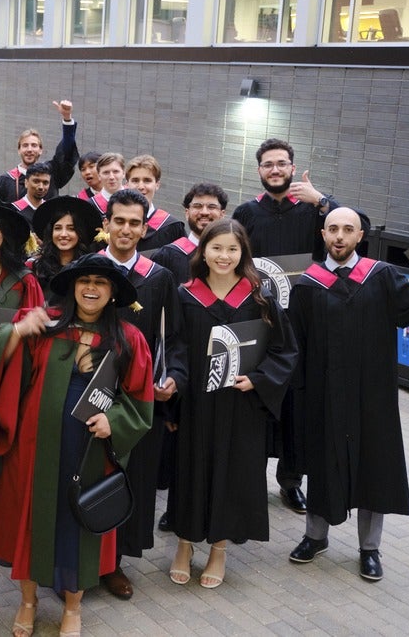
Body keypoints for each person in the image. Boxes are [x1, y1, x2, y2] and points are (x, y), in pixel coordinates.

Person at [287, 207, 409, 582]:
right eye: (333, 229)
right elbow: (294, 344)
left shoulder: (383, 277)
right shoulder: (307, 284)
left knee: (373, 465)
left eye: (348, 229)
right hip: (323, 393)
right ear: (323, 235)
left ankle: (369, 548)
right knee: (322, 461)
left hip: (372, 393)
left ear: (360, 236)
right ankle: (315, 536)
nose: (339, 236)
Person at [0, 253, 154, 637]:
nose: (91, 288)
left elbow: (139, 400)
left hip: (88, 451)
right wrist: (16, 331)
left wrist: (114, 421)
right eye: (84, 281)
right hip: (33, 447)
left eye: (100, 282)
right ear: (73, 287)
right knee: (30, 523)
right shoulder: (47, 326)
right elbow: (4, 371)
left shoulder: (128, 339)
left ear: (112, 292)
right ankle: (28, 602)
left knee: (78, 530)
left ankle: (73, 607)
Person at [165, 218, 297, 589]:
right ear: (203, 251)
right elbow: (174, 347)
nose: (224, 256)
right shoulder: (185, 295)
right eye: (217, 248)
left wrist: (259, 379)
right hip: (196, 403)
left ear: (243, 253)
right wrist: (174, 386)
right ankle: (185, 543)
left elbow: (285, 351)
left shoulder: (259, 298)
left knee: (232, 472)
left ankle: (219, 549)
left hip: (241, 404)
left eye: (232, 249)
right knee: (190, 470)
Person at [231, 138, 343, 516]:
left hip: (303, 322)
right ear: (259, 170)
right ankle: (249, 477)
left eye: (282, 164)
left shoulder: (314, 212)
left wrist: (322, 200)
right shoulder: (246, 213)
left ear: (293, 168)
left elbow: (356, 225)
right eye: (268, 164)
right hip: (259, 320)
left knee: (296, 403)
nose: (275, 170)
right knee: (256, 398)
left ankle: (291, 481)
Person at [95, 189, 184, 599]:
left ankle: (113, 562)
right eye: (119, 221)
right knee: (88, 474)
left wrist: (174, 376)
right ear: (106, 224)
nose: (126, 229)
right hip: (89, 392)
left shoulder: (159, 277)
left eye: (135, 223)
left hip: (136, 397)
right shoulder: (88, 270)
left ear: (145, 228)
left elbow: (174, 338)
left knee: (131, 478)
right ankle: (79, 560)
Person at [150, 182, 228, 533]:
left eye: (212, 207)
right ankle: (176, 508)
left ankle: (214, 509)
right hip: (181, 358)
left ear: (223, 213)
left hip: (218, 357)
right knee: (177, 438)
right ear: (186, 212)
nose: (204, 212)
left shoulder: (231, 253)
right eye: (198, 206)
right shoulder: (169, 255)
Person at [0, 100, 79, 203]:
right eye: (25, 145)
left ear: (41, 150)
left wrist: (67, 118)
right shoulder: (4, 181)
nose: (29, 149)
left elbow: (66, 152)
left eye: (34, 145)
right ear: (19, 150)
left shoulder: (53, 172)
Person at [28, 196, 102, 302]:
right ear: (51, 232)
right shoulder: (34, 268)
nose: (63, 234)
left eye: (71, 229)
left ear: (80, 233)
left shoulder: (91, 268)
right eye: (58, 228)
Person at [124, 155, 186, 251]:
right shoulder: (112, 222)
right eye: (135, 181)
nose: (141, 186)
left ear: (157, 185)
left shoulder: (172, 228)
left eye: (147, 181)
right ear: (127, 184)